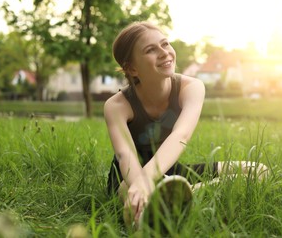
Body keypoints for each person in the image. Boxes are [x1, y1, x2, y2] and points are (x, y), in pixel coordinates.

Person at [104, 21, 268, 228]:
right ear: (131, 68)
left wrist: (154, 182)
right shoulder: (116, 106)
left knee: (258, 171)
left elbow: (181, 135)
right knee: (128, 191)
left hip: (171, 172)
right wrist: (141, 184)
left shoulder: (191, 87)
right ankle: (152, 204)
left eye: (165, 44)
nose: (164, 53)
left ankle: (183, 194)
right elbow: (125, 155)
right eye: (151, 50)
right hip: (129, 175)